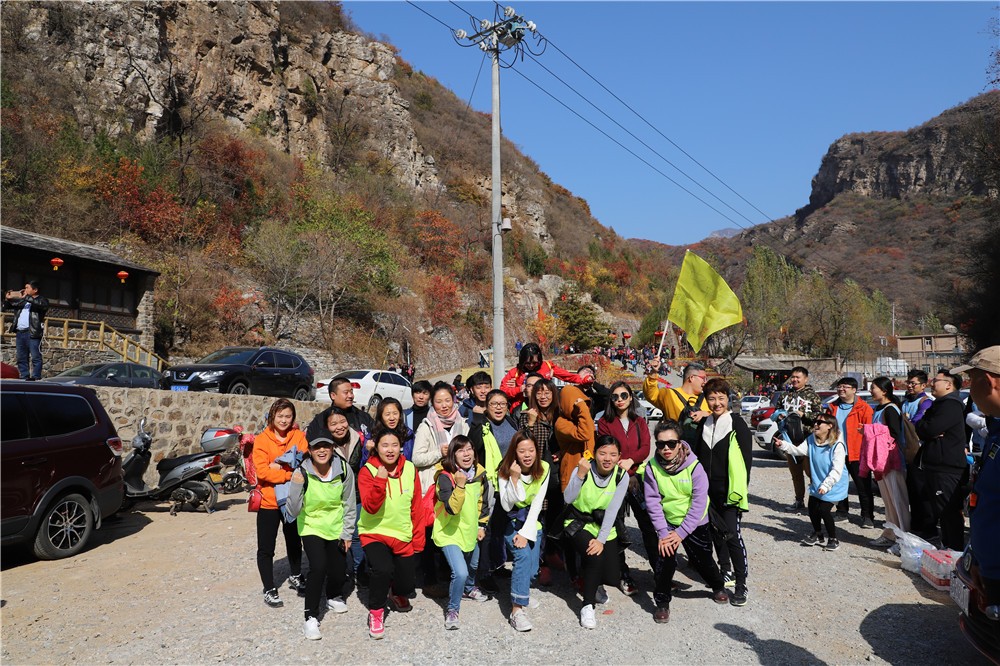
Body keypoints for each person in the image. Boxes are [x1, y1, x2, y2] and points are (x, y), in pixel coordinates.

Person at [643, 420, 730, 623]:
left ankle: (717, 586)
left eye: (671, 443)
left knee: (703, 560)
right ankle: (662, 603)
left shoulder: (694, 467)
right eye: (661, 444)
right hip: (668, 523)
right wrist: (663, 532)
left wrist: (681, 532)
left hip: (695, 522)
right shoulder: (652, 467)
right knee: (664, 562)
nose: (666, 448)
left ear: (680, 443)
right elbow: (652, 501)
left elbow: (699, 502)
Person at [286, 437, 356, 640]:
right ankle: (310, 617)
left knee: (339, 568)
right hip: (311, 525)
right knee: (318, 567)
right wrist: (296, 486)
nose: (322, 451)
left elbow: (349, 502)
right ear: (310, 450)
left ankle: (333, 595)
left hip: (336, 525)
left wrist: (347, 532)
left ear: (333, 448)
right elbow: (292, 511)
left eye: (326, 446)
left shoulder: (343, 469)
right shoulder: (301, 472)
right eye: (317, 447)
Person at [357, 429, 425, 639]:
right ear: (376, 448)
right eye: (384, 445)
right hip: (374, 531)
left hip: (402, 533)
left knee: (407, 582)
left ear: (401, 446)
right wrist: (380, 480)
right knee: (383, 569)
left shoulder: (410, 468)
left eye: (394, 445)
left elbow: (417, 506)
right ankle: (376, 611)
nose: (390, 450)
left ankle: (396, 592)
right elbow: (370, 507)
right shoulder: (367, 471)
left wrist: (418, 539)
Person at [692, 378, 752, 606]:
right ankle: (725, 570)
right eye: (712, 398)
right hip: (707, 492)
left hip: (729, 492)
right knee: (715, 533)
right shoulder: (704, 423)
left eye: (721, 398)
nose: (716, 403)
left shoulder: (737, 423)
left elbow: (746, 462)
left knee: (733, 536)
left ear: (728, 398)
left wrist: (741, 492)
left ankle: (741, 584)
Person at [953, 346, 1000, 618]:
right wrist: (981, 561)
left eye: (971, 381)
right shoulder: (995, 430)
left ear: (990, 381)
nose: (969, 390)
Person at [597, 381, 656, 595]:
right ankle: (623, 574)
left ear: (631, 397)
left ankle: (660, 571)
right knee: (617, 525)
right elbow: (607, 450)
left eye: (624, 395)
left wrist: (631, 461)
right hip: (615, 479)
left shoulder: (638, 421)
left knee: (648, 524)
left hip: (637, 479)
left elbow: (646, 447)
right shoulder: (604, 422)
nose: (620, 400)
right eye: (615, 396)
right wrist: (623, 463)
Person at [563, 435, 629, 629]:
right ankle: (587, 605)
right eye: (602, 453)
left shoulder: (621, 476)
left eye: (613, 454)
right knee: (595, 556)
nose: (607, 458)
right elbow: (568, 498)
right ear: (594, 453)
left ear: (619, 456)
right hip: (578, 522)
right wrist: (579, 475)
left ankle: (592, 579)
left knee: (612, 577)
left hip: (602, 524)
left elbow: (612, 511)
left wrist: (601, 539)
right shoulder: (583, 469)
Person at [412, 381, 470, 597]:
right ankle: (429, 579)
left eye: (447, 400)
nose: (444, 405)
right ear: (432, 403)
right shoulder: (426, 425)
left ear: (454, 400)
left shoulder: (462, 423)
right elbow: (416, 458)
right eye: (438, 401)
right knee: (430, 532)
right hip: (431, 487)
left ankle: (448, 572)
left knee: (451, 527)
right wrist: (439, 452)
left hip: (456, 483)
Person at [432, 435, 493, 630]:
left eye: (469, 449)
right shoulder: (445, 476)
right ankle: (452, 610)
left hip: (470, 528)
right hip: (448, 531)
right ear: (453, 454)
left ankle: (468, 588)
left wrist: (482, 525)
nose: (466, 454)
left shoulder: (480, 474)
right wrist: (459, 485)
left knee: (473, 564)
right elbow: (452, 508)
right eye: (460, 450)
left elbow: (483, 502)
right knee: (460, 572)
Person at [253, 398, 309, 608]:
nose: (284, 420)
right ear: (272, 417)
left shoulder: (298, 436)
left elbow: (303, 462)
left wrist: (278, 467)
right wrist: (288, 474)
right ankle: (269, 588)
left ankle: (295, 575)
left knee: (294, 540)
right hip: (268, 502)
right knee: (266, 547)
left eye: (288, 416)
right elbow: (262, 472)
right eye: (280, 416)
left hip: (291, 499)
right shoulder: (262, 440)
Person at [498, 431, 550, 632]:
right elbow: (507, 504)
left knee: (533, 568)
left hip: (531, 521)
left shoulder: (544, 468)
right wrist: (514, 478)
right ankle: (516, 611)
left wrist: (526, 533)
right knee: (523, 556)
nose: (527, 455)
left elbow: (537, 503)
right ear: (514, 452)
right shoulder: (505, 470)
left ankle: (523, 591)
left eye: (531, 450)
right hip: (511, 520)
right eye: (522, 451)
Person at [912, 369, 969, 550]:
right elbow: (920, 425)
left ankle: (955, 551)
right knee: (942, 512)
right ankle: (948, 549)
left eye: (935, 380)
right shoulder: (940, 404)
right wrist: (925, 426)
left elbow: (929, 429)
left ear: (948, 385)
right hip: (937, 465)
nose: (931, 383)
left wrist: (926, 427)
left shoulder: (950, 405)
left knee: (948, 511)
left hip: (946, 467)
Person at [775, 413, 848, 551]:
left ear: (830, 426)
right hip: (818, 481)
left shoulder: (837, 444)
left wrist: (826, 485)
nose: (815, 424)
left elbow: (837, 469)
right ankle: (818, 534)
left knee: (824, 510)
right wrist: (783, 445)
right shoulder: (811, 439)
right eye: (815, 421)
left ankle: (833, 539)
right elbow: (798, 451)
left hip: (834, 483)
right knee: (812, 508)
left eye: (819, 422)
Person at [864, 377, 910, 548]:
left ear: (884, 391)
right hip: (881, 460)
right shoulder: (878, 408)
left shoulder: (891, 409)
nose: (871, 391)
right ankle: (890, 534)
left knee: (898, 500)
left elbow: (894, 434)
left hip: (892, 460)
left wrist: (869, 430)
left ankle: (904, 539)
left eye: (873, 388)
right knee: (888, 501)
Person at [826, 377, 875, 526]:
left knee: (863, 486)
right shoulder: (832, 407)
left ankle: (867, 516)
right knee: (839, 484)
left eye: (845, 387)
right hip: (837, 453)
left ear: (854, 390)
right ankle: (842, 512)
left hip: (857, 453)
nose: (841, 389)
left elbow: (869, 432)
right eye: (839, 387)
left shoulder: (864, 408)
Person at [777, 367, 823, 512]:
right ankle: (799, 500)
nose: (795, 380)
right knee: (795, 473)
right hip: (790, 439)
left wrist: (804, 415)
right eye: (793, 377)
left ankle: (817, 501)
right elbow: (777, 409)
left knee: (811, 472)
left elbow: (819, 415)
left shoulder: (812, 395)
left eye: (798, 377)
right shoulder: (785, 395)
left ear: (806, 379)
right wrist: (779, 415)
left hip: (808, 439)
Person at [499, 342, 592, 409]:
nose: (531, 366)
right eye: (527, 363)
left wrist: (584, 380)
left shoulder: (547, 366)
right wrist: (518, 389)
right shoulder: (515, 373)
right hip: (522, 407)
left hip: (545, 406)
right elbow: (502, 392)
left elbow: (567, 376)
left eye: (534, 363)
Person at [643, 359, 710, 444]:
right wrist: (653, 372)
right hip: (674, 447)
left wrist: (708, 415)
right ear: (692, 378)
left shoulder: (708, 398)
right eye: (703, 378)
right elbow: (650, 394)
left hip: (701, 447)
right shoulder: (669, 394)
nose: (705, 382)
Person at [306, 377, 376, 443]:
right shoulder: (321, 420)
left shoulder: (364, 417)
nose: (350, 396)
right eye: (346, 392)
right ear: (333, 395)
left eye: (351, 392)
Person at [3, 280, 49, 380]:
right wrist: (8, 299)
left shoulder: (42, 300)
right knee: (21, 357)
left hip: (32, 332)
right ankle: (24, 376)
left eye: (27, 288)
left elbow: (43, 305)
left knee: (35, 357)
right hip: (20, 332)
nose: (25, 289)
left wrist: (26, 297)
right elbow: (7, 307)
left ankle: (36, 376)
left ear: (35, 290)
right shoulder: (23, 301)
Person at [365, 397, 414, 464]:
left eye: (395, 413)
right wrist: (368, 451)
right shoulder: (372, 437)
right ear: (381, 416)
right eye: (387, 414)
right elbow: (363, 464)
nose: (392, 418)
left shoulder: (408, 435)